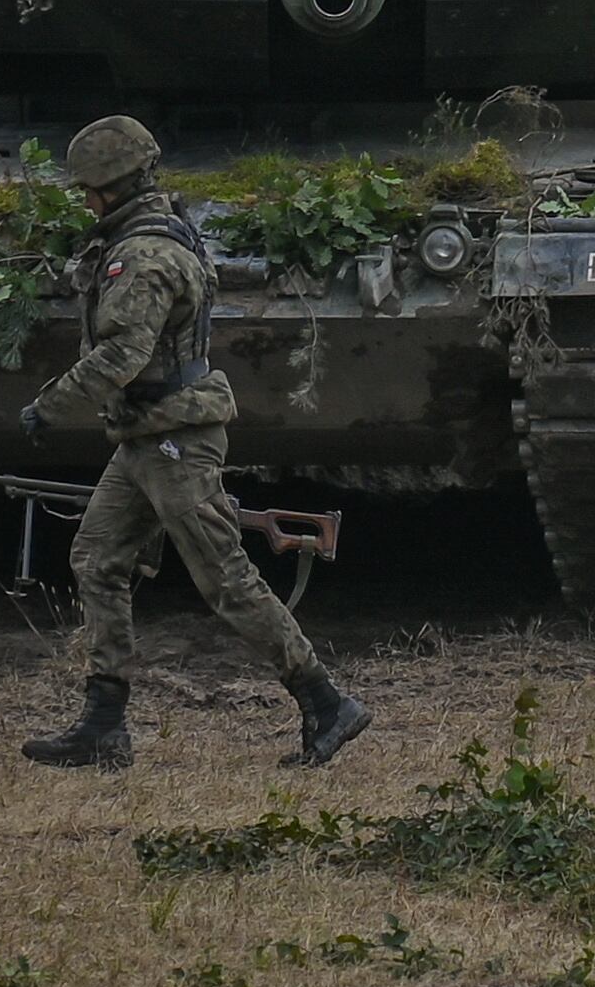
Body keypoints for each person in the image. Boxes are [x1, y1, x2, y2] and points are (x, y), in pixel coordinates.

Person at [19, 114, 368, 772]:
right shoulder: (152, 235)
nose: (84, 200)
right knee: (96, 556)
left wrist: (49, 405)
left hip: (174, 436)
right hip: (146, 436)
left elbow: (124, 350)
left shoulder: (143, 256)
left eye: (89, 188)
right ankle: (103, 723)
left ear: (116, 187)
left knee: (226, 579)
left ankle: (325, 699)